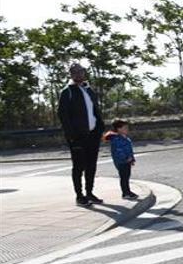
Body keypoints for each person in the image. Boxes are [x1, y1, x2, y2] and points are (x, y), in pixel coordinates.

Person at [58, 63, 105, 206]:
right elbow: (63, 115)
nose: (79, 74)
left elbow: (95, 110)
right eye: (75, 72)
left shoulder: (88, 89)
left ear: (84, 73)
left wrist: (99, 128)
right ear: (71, 74)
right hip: (77, 137)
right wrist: (72, 136)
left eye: (81, 71)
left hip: (92, 135)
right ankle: (79, 196)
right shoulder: (67, 92)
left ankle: (89, 192)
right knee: (79, 166)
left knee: (91, 165)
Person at [103, 119, 139, 200]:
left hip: (127, 161)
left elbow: (129, 150)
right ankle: (125, 193)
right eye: (125, 128)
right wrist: (126, 158)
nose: (127, 129)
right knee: (124, 177)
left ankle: (127, 191)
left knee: (126, 176)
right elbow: (118, 151)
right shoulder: (116, 139)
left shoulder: (125, 138)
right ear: (119, 129)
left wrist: (131, 159)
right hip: (121, 162)